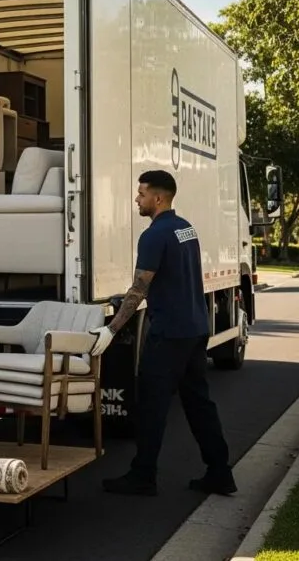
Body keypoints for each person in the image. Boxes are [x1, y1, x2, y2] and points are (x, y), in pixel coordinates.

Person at [90, 170, 236, 497]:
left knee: (152, 406)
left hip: (169, 333)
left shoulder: (154, 235)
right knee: (199, 404)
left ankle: (143, 475)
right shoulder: (186, 228)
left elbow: (139, 288)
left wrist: (112, 329)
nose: (137, 200)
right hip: (195, 329)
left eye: (141, 194)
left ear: (157, 198)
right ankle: (220, 472)